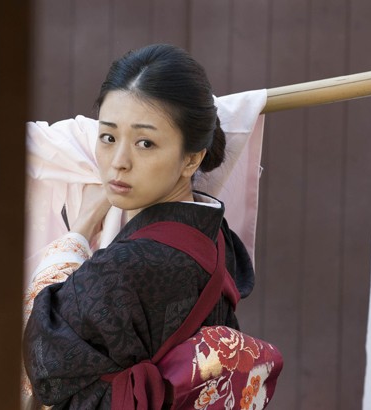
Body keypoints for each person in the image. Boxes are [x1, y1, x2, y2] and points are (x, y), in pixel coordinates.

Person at [22, 44, 255, 409]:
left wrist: (80, 230)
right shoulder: (212, 230)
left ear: (191, 158)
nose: (118, 162)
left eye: (145, 143)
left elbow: (34, 350)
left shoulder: (127, 267)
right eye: (108, 137)